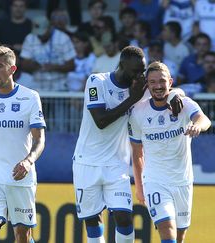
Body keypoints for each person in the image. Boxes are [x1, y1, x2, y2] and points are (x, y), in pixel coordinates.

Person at [129, 61, 211, 243]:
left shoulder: (183, 104)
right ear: (147, 85)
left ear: (170, 82)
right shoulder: (138, 113)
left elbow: (204, 119)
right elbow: (137, 153)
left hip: (182, 181)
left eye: (162, 81)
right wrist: (140, 188)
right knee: (167, 229)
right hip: (155, 181)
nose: (158, 86)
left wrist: (197, 126)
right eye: (152, 82)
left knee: (179, 237)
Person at [0, 46, 46, 243]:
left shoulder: (30, 97)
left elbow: (40, 139)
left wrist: (28, 161)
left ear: (12, 69)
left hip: (21, 175)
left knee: (22, 234)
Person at [73, 46, 147, 243]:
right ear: (122, 65)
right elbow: (101, 121)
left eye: (143, 71)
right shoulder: (97, 81)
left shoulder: (139, 88)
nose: (140, 75)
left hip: (116, 165)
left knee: (124, 217)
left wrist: (179, 95)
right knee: (92, 220)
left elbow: (164, 88)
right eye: (136, 71)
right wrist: (132, 99)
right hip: (86, 162)